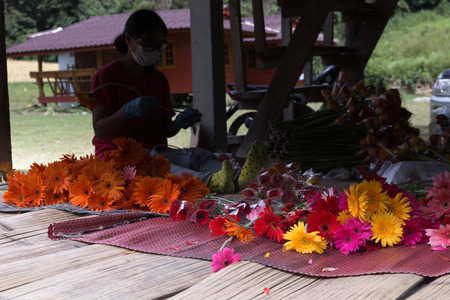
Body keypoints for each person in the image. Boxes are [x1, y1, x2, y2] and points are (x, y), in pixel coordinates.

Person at [90, 9, 266, 193]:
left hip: (156, 154)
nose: (154, 50)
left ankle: (237, 177)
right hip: (120, 161)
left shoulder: (158, 79)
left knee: (198, 155)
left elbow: (165, 130)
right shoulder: (107, 76)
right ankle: (210, 181)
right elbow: (100, 130)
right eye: (147, 43)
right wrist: (125, 112)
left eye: (159, 45)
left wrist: (180, 122)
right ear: (128, 39)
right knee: (165, 169)